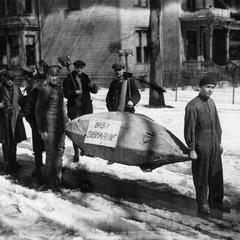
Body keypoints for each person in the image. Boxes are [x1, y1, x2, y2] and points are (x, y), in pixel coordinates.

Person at [184, 76, 230, 215]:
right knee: (201, 176)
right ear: (201, 87)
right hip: (201, 145)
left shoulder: (212, 103)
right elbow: (189, 129)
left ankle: (216, 202)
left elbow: (217, 124)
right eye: (208, 87)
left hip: (214, 142)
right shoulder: (192, 105)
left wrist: (219, 142)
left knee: (216, 175)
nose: (210, 90)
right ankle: (203, 204)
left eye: (213, 87)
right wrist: (192, 148)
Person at [35, 65, 67, 192]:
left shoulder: (59, 89)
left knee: (59, 153)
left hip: (60, 128)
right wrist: (42, 130)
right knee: (50, 155)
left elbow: (61, 108)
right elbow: (38, 111)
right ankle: (49, 182)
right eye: (52, 76)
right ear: (48, 77)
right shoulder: (45, 90)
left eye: (56, 76)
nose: (54, 78)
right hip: (49, 128)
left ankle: (57, 180)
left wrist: (66, 122)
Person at [63, 60, 98, 162]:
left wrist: (93, 86)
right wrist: (74, 92)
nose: (79, 69)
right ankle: (76, 153)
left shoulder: (85, 77)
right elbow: (65, 93)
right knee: (75, 130)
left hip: (85, 108)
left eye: (81, 68)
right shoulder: (69, 78)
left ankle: (85, 150)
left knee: (85, 130)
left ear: (83, 68)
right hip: (75, 108)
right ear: (74, 67)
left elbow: (94, 91)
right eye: (77, 67)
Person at [0, 67, 27, 172]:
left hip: (15, 118)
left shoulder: (16, 88)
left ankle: (13, 161)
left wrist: (24, 111)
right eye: (7, 79)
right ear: (4, 79)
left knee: (14, 140)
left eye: (11, 79)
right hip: (4, 118)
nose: (9, 81)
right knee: (5, 140)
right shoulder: (1, 89)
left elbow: (21, 101)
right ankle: (7, 162)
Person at [22, 66, 45, 184]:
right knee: (37, 147)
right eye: (38, 81)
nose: (40, 83)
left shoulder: (49, 93)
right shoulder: (32, 94)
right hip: (36, 126)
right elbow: (27, 110)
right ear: (36, 82)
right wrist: (33, 124)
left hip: (48, 127)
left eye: (42, 81)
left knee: (50, 148)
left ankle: (50, 168)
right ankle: (38, 167)